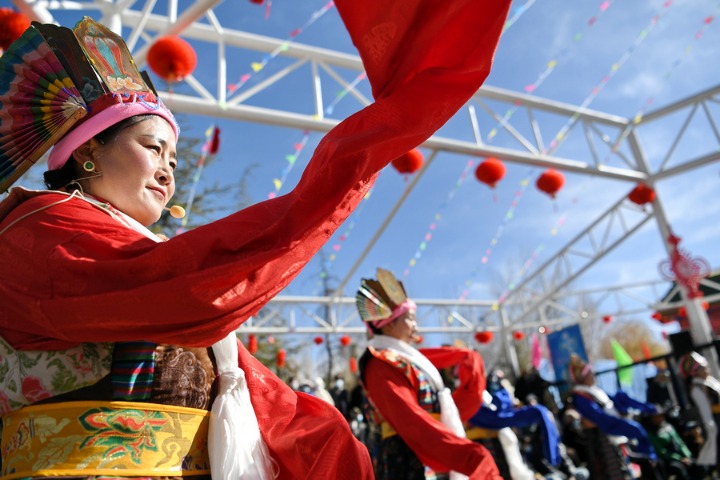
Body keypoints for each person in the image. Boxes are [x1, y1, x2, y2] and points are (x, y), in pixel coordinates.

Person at [0, 1, 511, 478]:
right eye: (153, 148)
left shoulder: (113, 244)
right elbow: (192, 290)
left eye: (174, 160)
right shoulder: (37, 230)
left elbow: (264, 395)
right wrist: (359, 155)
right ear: (88, 150)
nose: (168, 171)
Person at [356, 268, 500, 479]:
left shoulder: (405, 361)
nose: (416, 326)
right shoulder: (380, 364)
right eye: (410, 318)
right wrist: (468, 456)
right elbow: (411, 420)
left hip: (427, 447)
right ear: (388, 325)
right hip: (405, 457)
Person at [567, 354, 659, 480]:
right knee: (613, 473)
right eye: (590, 373)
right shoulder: (581, 396)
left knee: (626, 469)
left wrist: (645, 408)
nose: (593, 375)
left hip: (613, 435)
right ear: (584, 377)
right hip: (603, 441)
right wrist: (627, 426)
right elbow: (600, 418)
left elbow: (618, 401)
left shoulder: (594, 391)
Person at [679, 352, 719, 477]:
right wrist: (712, 431)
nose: (706, 367)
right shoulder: (697, 388)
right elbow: (705, 412)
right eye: (702, 366)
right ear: (695, 371)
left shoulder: (710, 381)